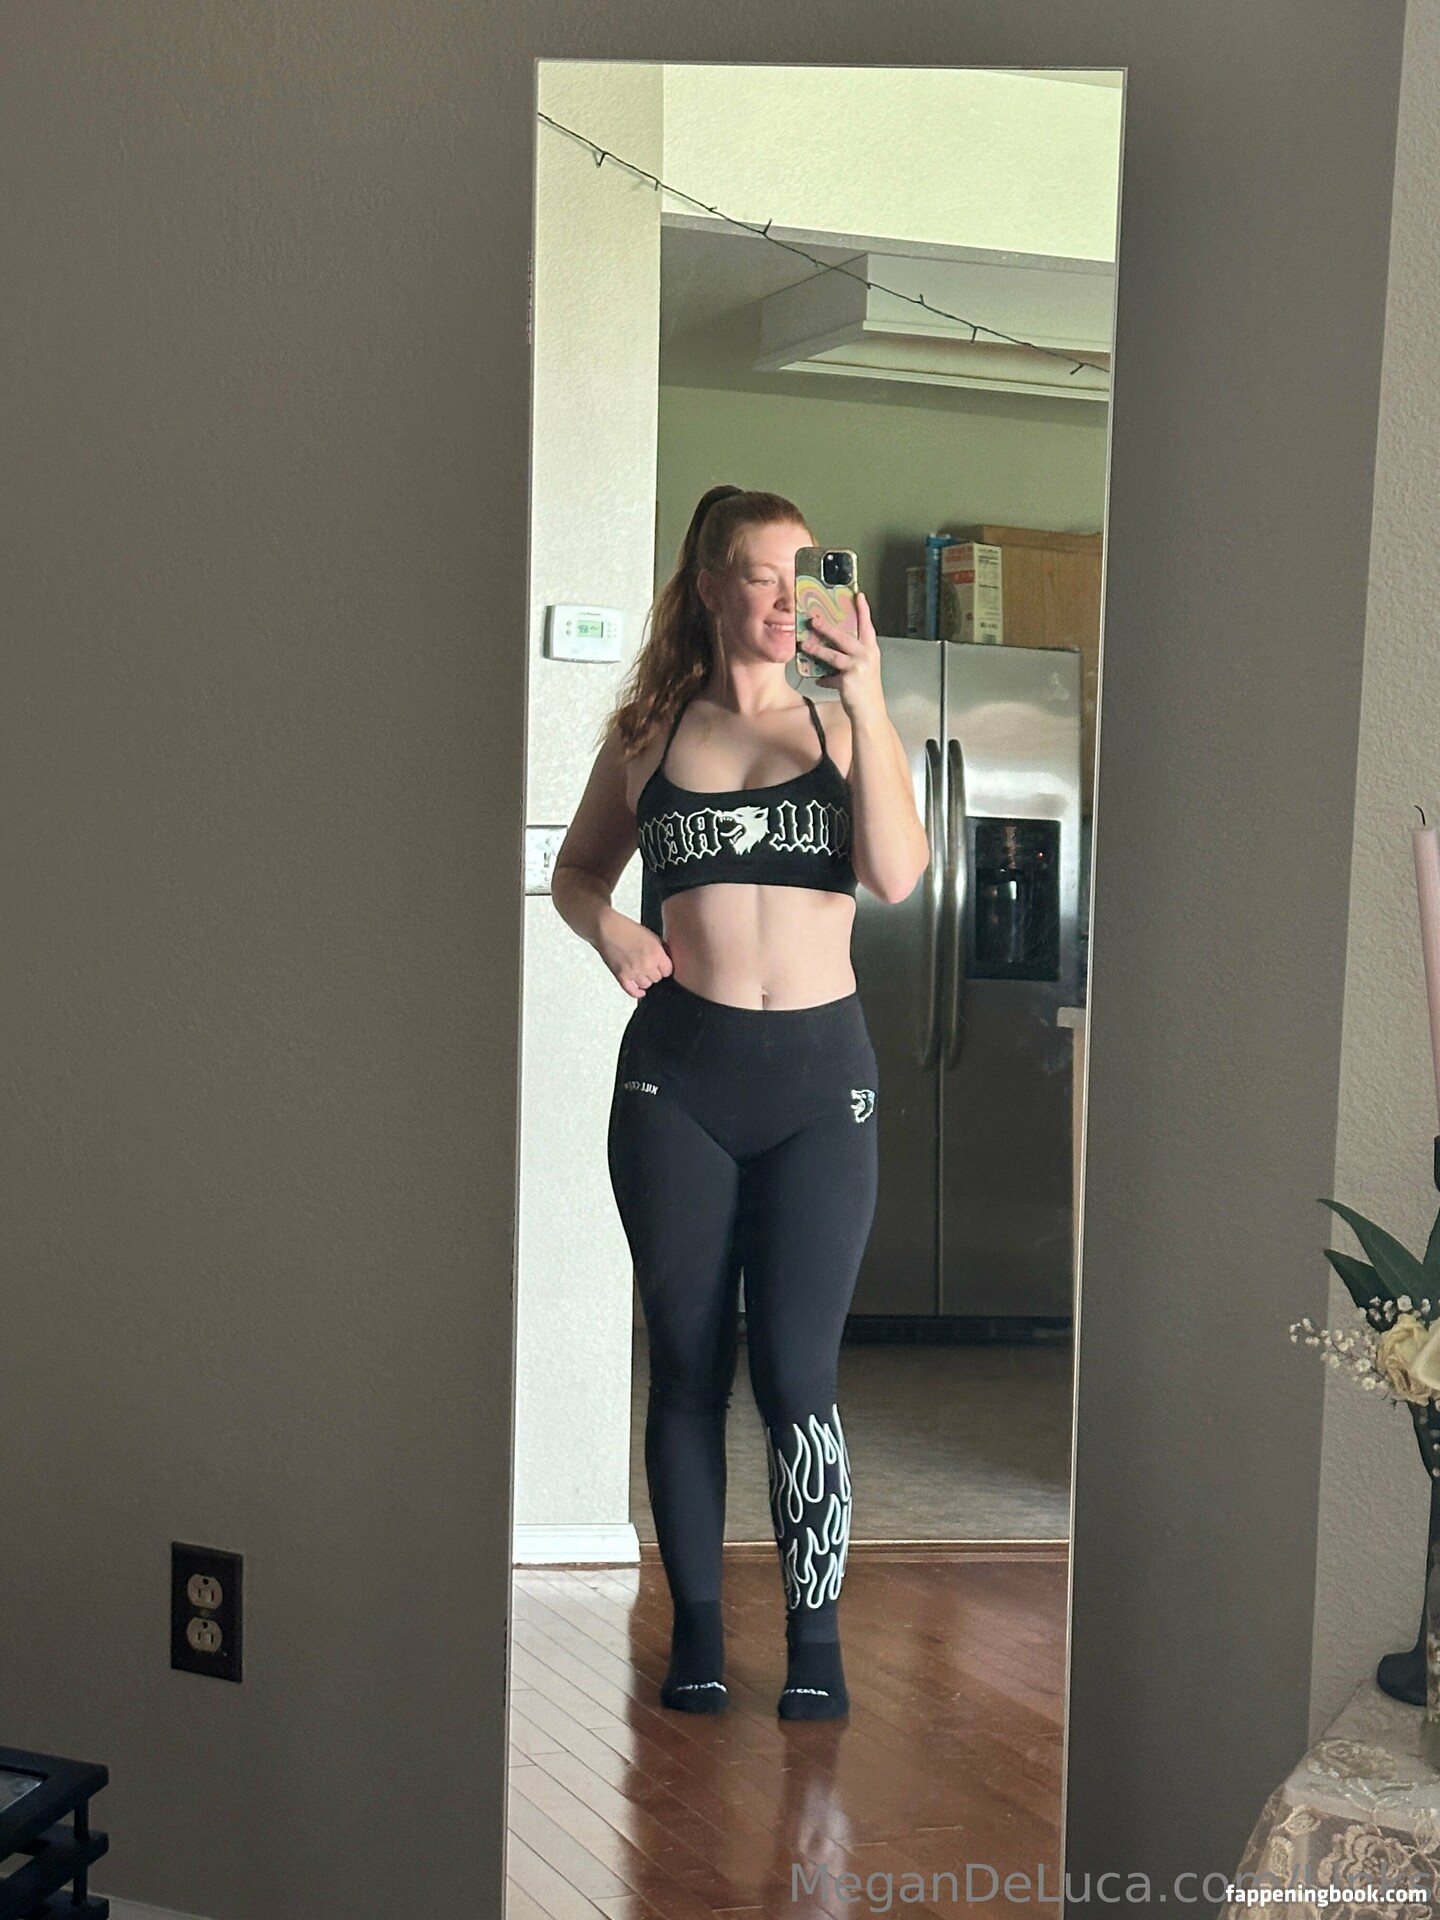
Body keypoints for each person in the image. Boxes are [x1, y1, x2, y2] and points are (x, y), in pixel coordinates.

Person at [550, 485, 929, 1721]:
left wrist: (868, 695)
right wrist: (612, 930)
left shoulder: (844, 727)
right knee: (688, 1366)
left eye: (802, 572)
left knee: (799, 1375)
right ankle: (699, 1634)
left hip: (821, 1086)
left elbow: (895, 874)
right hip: (679, 1081)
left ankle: (815, 1642)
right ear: (712, 586)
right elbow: (575, 873)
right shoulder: (651, 731)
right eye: (762, 574)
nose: (785, 597)